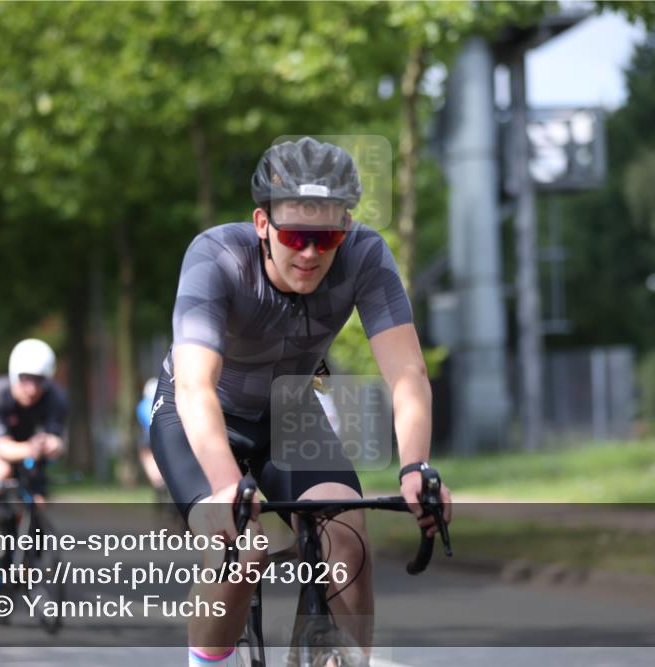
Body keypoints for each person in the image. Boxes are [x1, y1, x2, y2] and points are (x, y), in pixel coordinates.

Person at [149, 137, 453, 666]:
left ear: (347, 227)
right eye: (295, 234)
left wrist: (415, 466)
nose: (311, 253)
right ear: (262, 224)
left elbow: (406, 371)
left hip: (290, 412)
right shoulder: (217, 256)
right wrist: (226, 487)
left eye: (328, 234)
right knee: (240, 551)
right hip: (199, 414)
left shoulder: (365, 255)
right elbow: (196, 386)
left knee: (348, 541)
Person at [0, 338, 67, 534]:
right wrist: (32, 449)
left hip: (23, 441)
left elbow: (56, 440)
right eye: (25, 379)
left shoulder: (56, 398)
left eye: (39, 380)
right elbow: (0, 446)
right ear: (14, 376)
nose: (32, 388)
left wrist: (54, 446)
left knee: (37, 497)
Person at [136, 377, 167, 493]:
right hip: (163, 434)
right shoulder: (166, 402)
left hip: (148, 436)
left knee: (146, 455)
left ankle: (157, 481)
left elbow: (144, 422)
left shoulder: (142, 405)